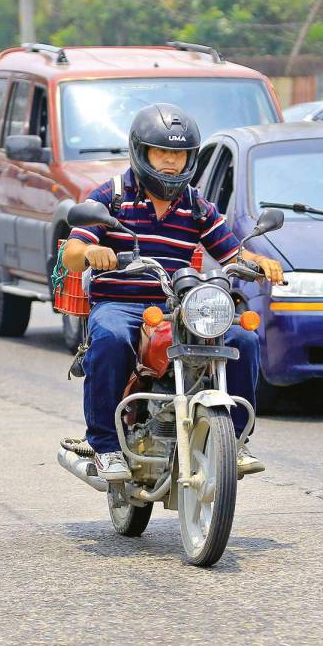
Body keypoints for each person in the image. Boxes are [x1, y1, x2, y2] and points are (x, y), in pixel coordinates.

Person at [61, 103, 284, 482]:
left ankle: (237, 439)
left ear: (189, 159)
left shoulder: (196, 206)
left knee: (243, 340)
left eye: (178, 154)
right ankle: (105, 446)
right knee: (111, 338)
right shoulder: (112, 196)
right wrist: (92, 251)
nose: (169, 162)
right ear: (141, 152)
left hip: (179, 306)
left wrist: (259, 261)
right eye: (161, 152)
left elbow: (231, 250)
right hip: (121, 304)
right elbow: (72, 253)